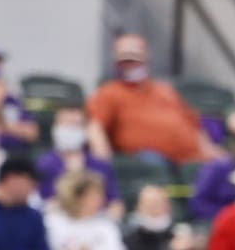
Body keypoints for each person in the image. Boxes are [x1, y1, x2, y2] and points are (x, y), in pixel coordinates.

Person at [87, 34, 221, 166]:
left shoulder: (164, 90)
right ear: (117, 63)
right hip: (150, 163)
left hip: (193, 159)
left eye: (135, 59)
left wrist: (208, 149)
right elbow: (95, 127)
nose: (130, 65)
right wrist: (104, 163)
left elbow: (193, 124)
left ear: (146, 58)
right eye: (126, 61)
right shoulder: (110, 92)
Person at [35, 105, 122, 218]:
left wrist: (103, 220)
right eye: (66, 124)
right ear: (55, 127)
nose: (71, 129)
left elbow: (116, 205)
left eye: (76, 125)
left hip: (95, 224)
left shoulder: (100, 166)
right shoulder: (43, 165)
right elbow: (41, 204)